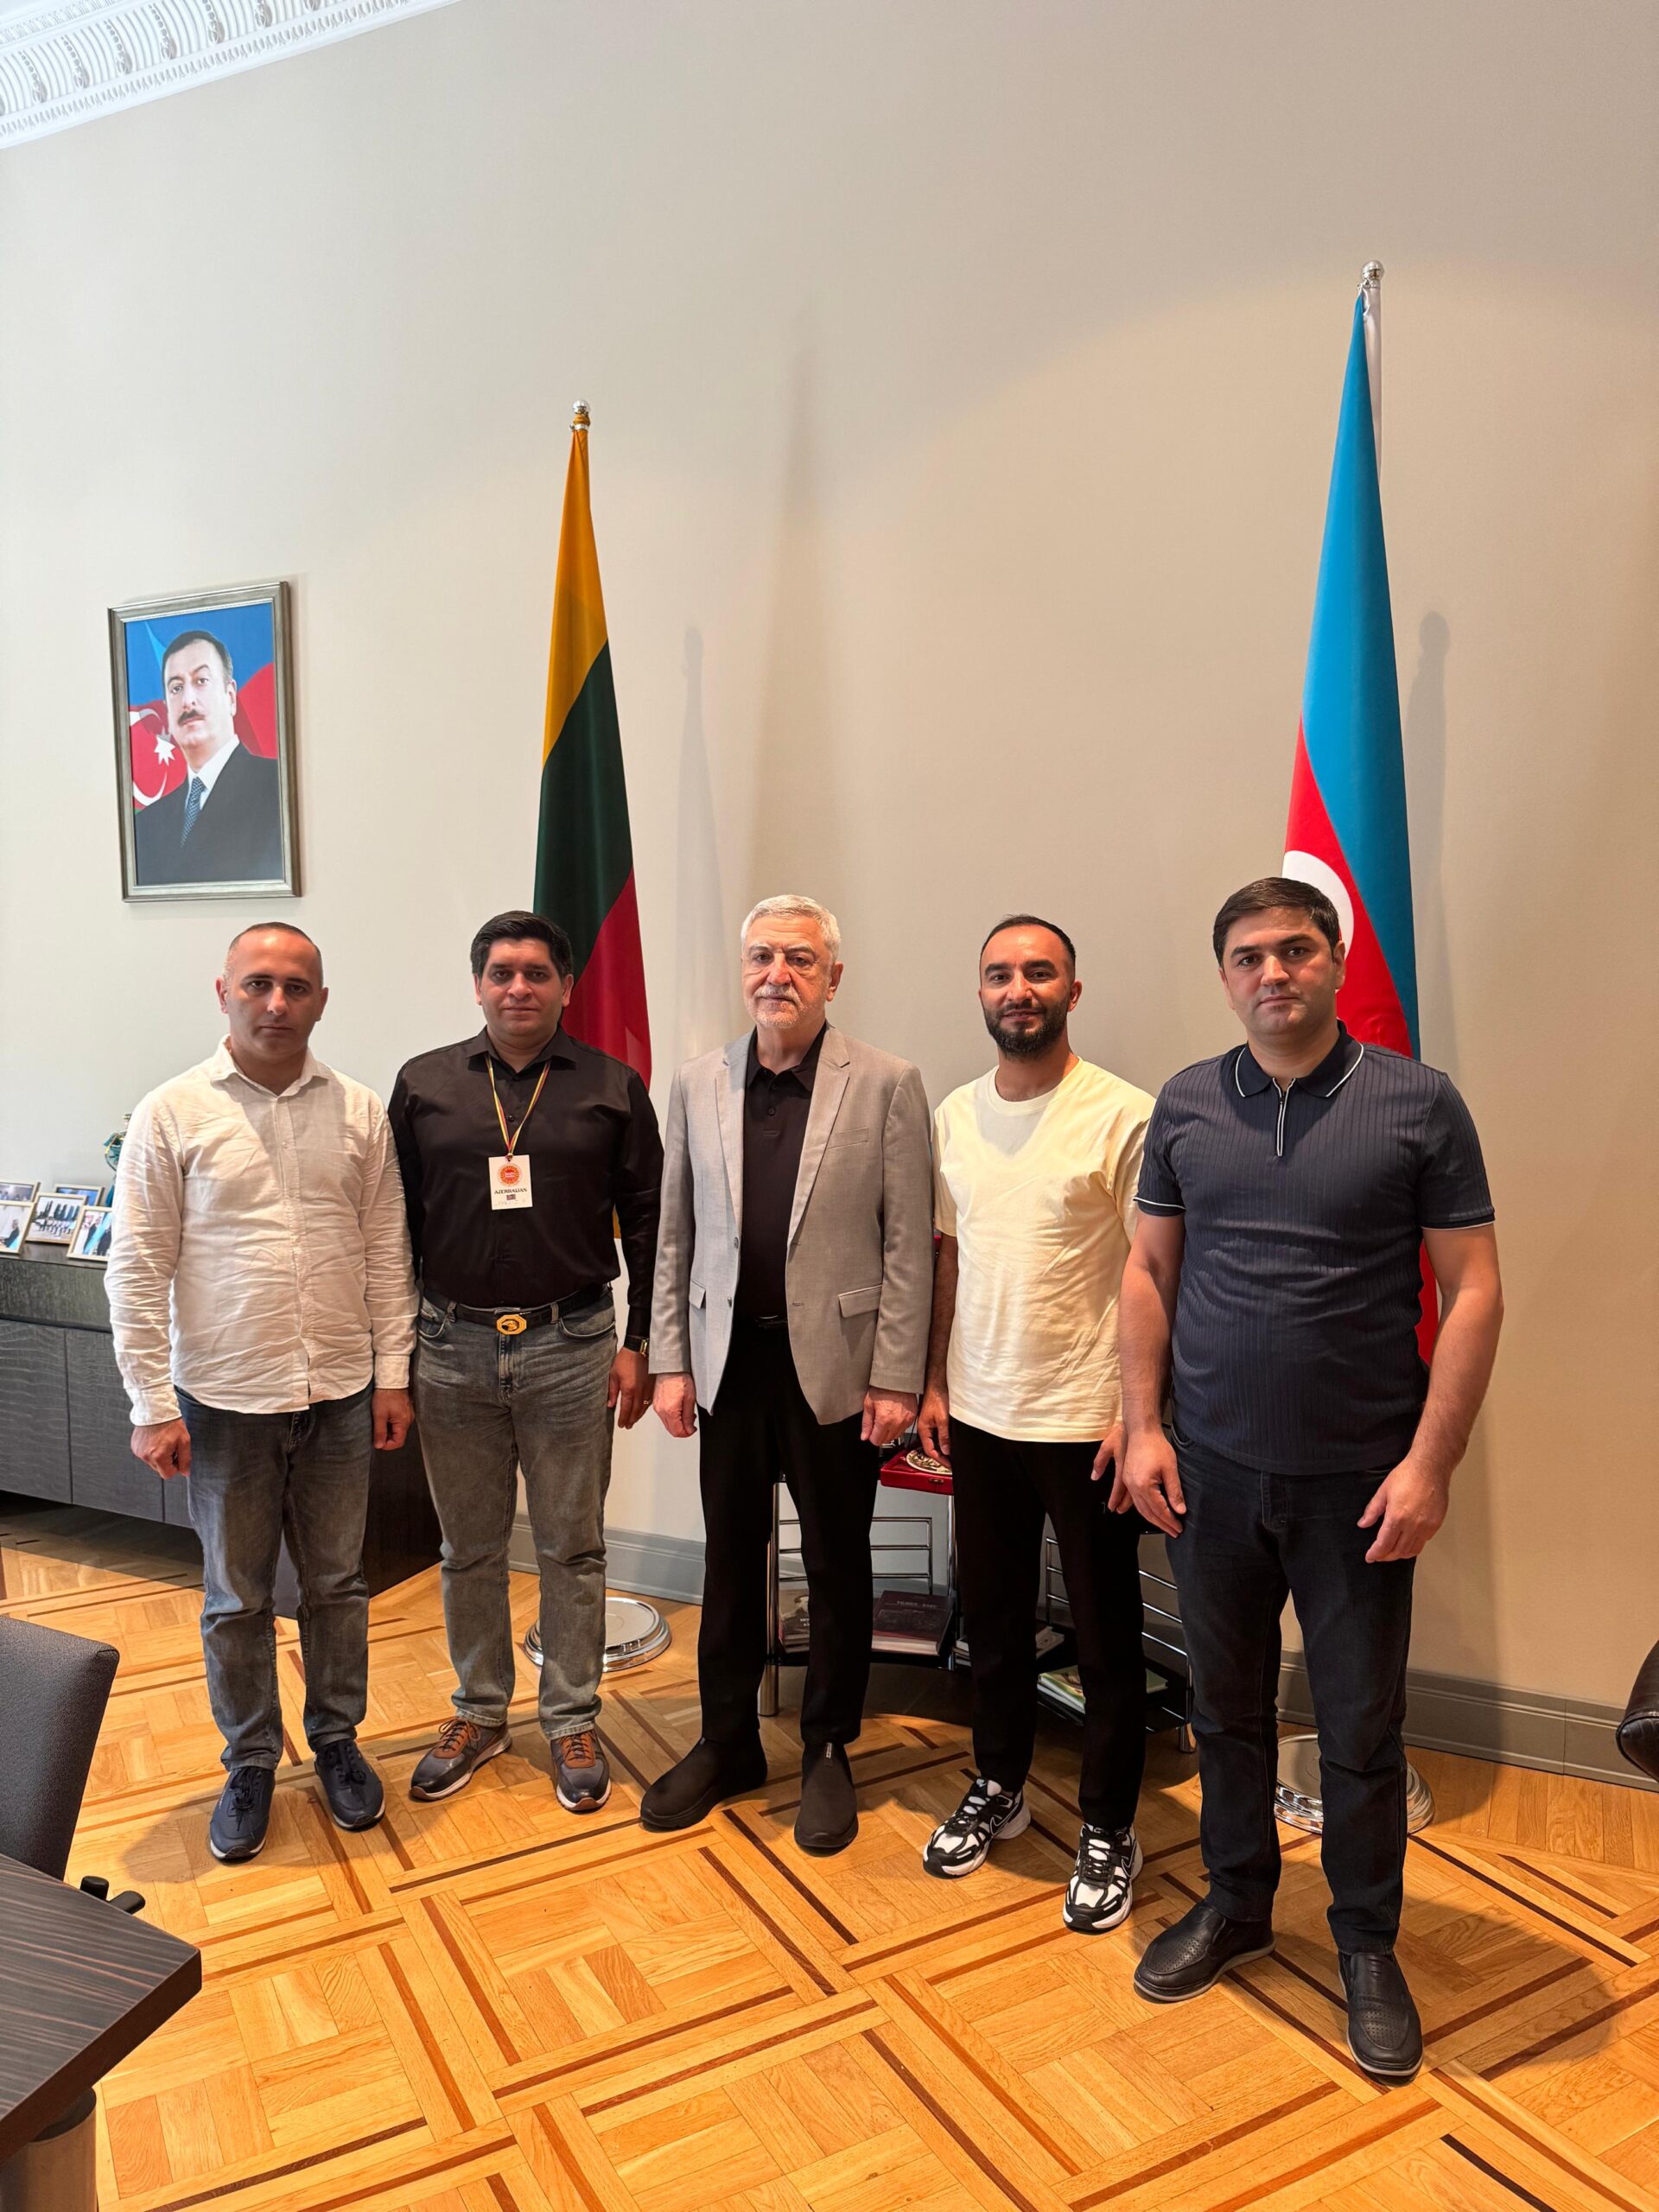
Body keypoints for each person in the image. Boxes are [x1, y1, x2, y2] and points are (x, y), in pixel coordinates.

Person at [1118, 878, 1503, 2081]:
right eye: (1248, 956)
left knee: (1359, 1730)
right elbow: (1148, 1272)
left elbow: (1474, 1288)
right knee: (1225, 1712)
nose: (1272, 972)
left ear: (1335, 961)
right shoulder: (1188, 1101)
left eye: (1294, 949)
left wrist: (1432, 1463)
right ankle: (1238, 1902)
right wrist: (1142, 1427)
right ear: (1224, 976)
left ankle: (1365, 1944)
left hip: (1359, 1488)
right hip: (1211, 1477)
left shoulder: (1417, 1102)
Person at [106, 924, 416, 1863]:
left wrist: (393, 1376)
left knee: (337, 1585)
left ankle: (336, 1740)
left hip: (339, 1394)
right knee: (236, 1597)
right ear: (224, 992)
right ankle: (248, 1759)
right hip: (224, 1400)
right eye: (258, 984)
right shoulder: (171, 1112)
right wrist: (150, 1403)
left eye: (295, 986)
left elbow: (386, 1251)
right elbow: (137, 1266)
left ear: (321, 999)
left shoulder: (359, 1110)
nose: (276, 1003)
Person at [643, 895, 932, 1853]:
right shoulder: (697, 1082)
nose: (779, 974)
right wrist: (671, 1360)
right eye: (763, 956)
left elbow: (908, 1245)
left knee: (838, 1563)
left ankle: (828, 1746)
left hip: (838, 1370)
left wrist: (897, 1376)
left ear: (832, 977)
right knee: (729, 1560)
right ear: (743, 971)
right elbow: (674, 1233)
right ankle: (727, 1741)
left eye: (801, 959)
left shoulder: (886, 1083)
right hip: (728, 1364)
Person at [390, 912, 662, 1814]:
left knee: (571, 1544)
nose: (518, 988)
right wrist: (395, 1353)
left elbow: (652, 1222)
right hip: (450, 1345)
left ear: (566, 986)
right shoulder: (423, 1084)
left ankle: (571, 1715)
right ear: (477, 984)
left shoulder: (612, 1086)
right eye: (501, 972)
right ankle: (479, 1710)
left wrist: (641, 1343)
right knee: (468, 1546)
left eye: (537, 973)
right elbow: (393, 1227)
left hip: (573, 1345)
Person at [918, 916, 1155, 1931]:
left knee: (1105, 1642)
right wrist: (934, 1380)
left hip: (1087, 1421)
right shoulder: (953, 1116)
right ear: (981, 992)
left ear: (1073, 990)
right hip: (980, 1413)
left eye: (1039, 972)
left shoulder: (1125, 1115)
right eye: (1000, 974)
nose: (1019, 988)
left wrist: (1140, 1413)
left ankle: (1109, 1824)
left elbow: (1157, 1275)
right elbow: (949, 1256)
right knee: (995, 1625)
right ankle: (1000, 1783)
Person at [132, 630, 283, 888]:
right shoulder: (145, 825)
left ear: (231, 697)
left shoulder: (278, 789)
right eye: (176, 688)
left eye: (201, 681)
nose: (188, 700)